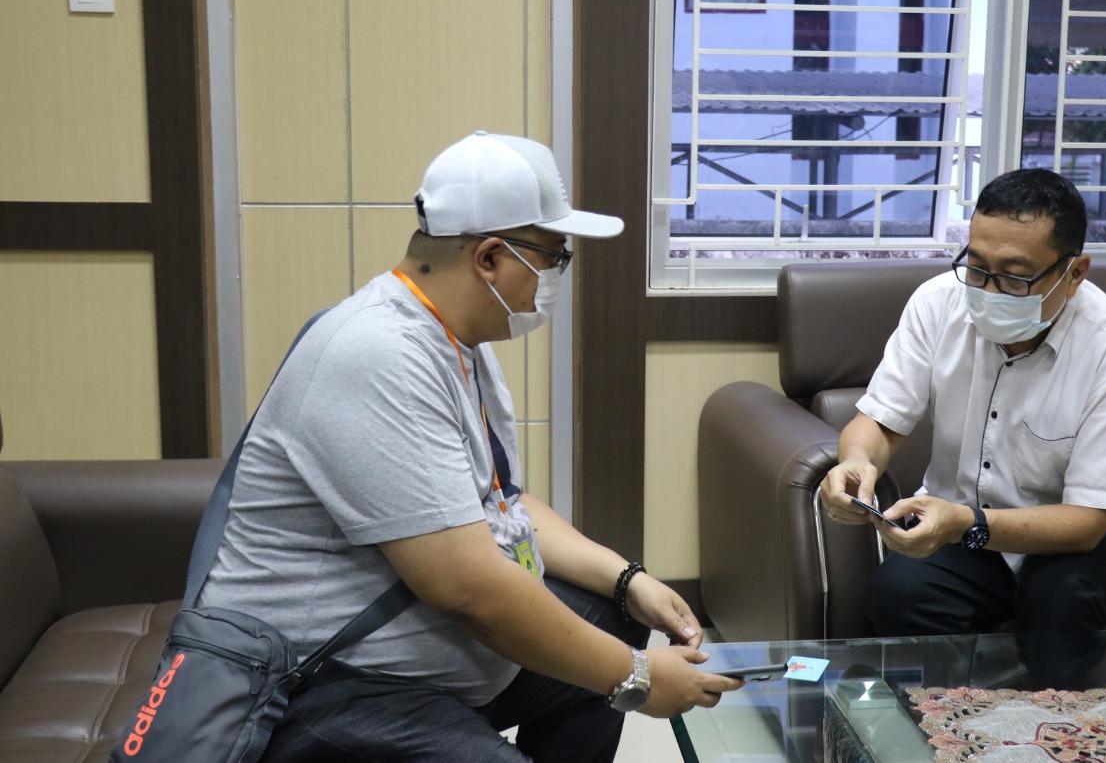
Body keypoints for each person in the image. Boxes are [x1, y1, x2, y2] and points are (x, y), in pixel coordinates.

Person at [198, 131, 742, 761]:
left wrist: (628, 579)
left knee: (613, 613)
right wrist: (637, 677)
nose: (557, 274)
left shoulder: (452, 342)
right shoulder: (378, 355)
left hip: (408, 655)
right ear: (489, 258)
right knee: (611, 663)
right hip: (321, 682)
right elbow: (470, 591)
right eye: (553, 255)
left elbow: (499, 502)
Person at [819, 168, 1106, 686]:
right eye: (977, 267)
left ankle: (1056, 724)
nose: (988, 289)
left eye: (1014, 276)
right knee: (900, 590)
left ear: (1075, 273)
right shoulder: (938, 302)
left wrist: (965, 523)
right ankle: (945, 717)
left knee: (1059, 598)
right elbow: (880, 420)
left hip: (1091, 531)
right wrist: (856, 461)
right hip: (965, 514)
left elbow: (1088, 520)